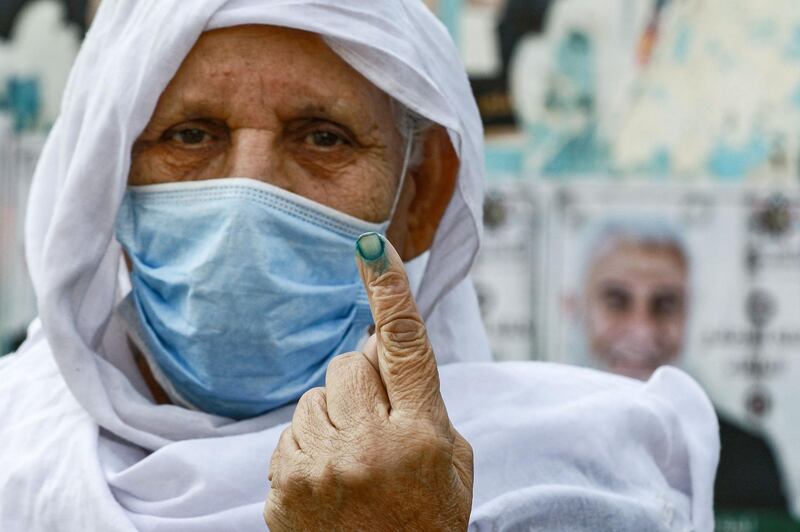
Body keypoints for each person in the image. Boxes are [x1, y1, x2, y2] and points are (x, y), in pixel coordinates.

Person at [0, 2, 719, 530]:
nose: (251, 197)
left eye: (323, 137)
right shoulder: (16, 462)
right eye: (190, 135)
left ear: (420, 194)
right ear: (107, 185)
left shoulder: (585, 482)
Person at [568, 216, 788, 511]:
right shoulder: (535, 448)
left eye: (666, 303)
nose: (642, 329)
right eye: (616, 301)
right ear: (573, 307)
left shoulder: (746, 458)